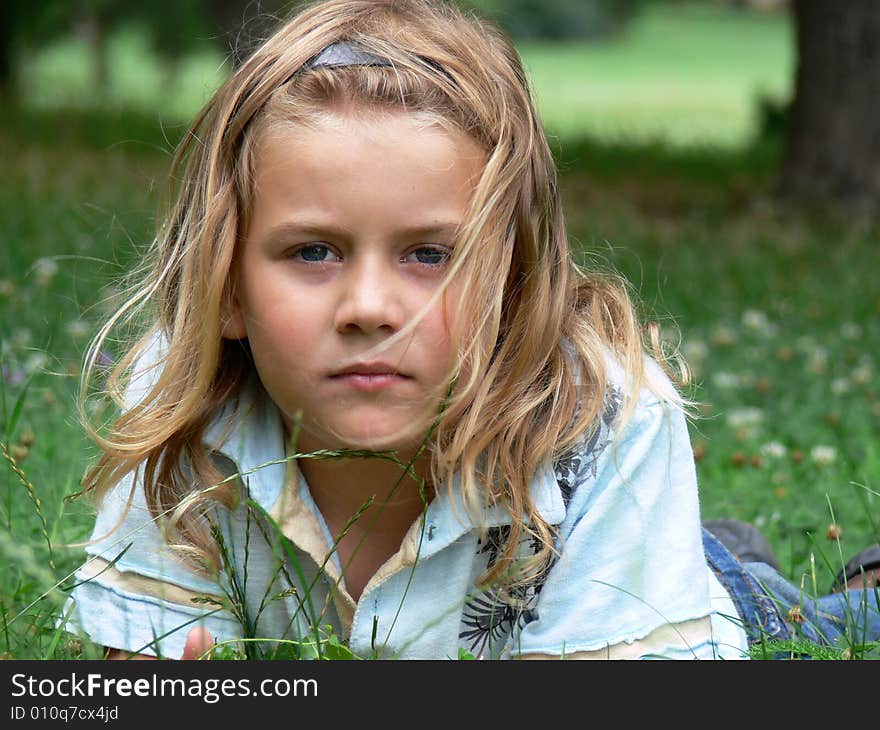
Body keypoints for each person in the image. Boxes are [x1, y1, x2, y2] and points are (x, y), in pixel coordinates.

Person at [59, 0, 880, 661]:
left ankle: (793, 578)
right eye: (312, 252)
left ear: (516, 284)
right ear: (226, 288)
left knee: (825, 630)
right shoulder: (183, 404)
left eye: (429, 255)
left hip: (638, 596)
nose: (370, 307)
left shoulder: (607, 418)